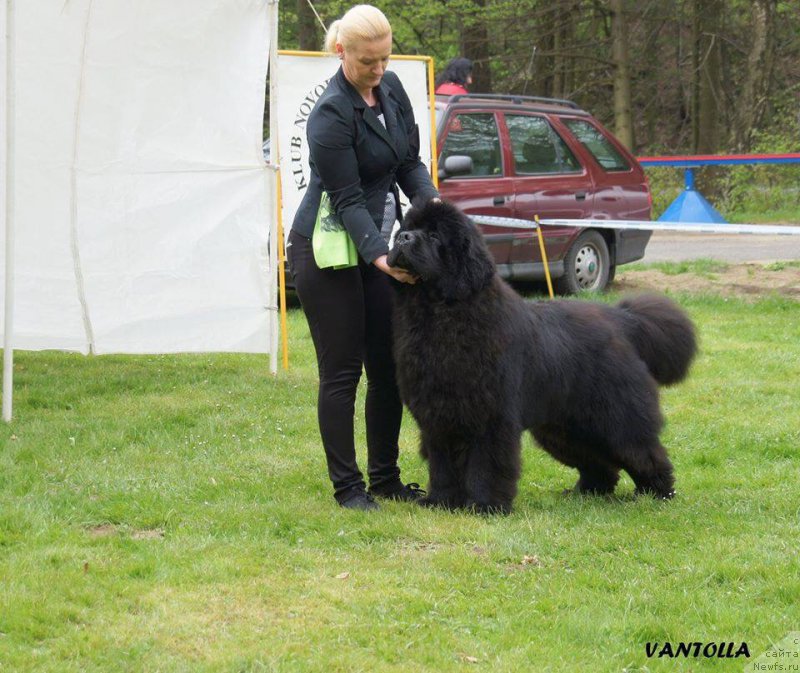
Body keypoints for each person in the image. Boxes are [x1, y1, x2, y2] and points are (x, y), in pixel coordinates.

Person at [287, 4, 440, 511]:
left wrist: (433, 208)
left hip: (373, 242)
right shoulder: (329, 113)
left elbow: (409, 164)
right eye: (367, 62)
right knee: (342, 371)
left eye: (383, 59)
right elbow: (348, 198)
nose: (377, 71)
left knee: (388, 365)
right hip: (326, 249)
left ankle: (386, 479)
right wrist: (379, 259)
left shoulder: (392, 90)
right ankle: (348, 488)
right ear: (341, 51)